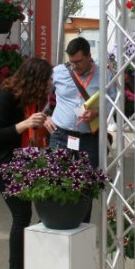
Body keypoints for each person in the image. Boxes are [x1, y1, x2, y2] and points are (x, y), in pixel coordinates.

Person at [0, 56, 53, 269]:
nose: (49, 85)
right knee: (21, 215)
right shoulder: (8, 95)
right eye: (46, 80)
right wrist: (26, 124)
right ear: (35, 79)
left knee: (29, 214)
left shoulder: (35, 100)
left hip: (26, 161)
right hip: (5, 163)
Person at [44, 37, 103, 172]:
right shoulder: (58, 72)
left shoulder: (104, 75)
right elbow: (41, 93)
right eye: (72, 62)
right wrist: (45, 115)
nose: (75, 66)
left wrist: (97, 112)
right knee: (55, 179)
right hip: (60, 135)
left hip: (89, 138)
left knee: (87, 182)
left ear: (89, 56)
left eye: (79, 61)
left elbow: (114, 101)